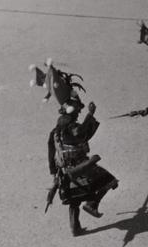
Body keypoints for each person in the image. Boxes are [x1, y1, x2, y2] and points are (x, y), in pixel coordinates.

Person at [47, 98, 119, 236]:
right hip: (82, 166)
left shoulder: (55, 132)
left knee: (74, 200)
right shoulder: (72, 127)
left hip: (65, 170)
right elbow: (82, 133)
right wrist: (90, 114)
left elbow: (51, 153)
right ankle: (92, 204)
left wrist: (54, 173)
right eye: (78, 111)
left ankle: (75, 228)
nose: (79, 113)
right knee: (110, 181)